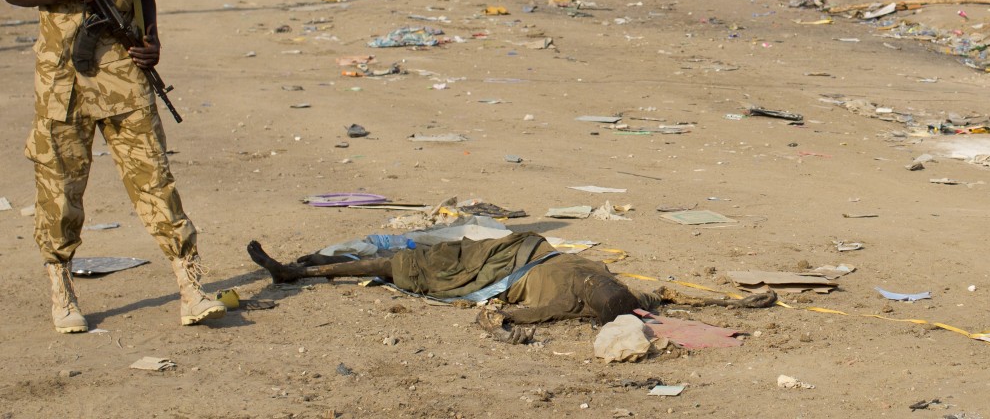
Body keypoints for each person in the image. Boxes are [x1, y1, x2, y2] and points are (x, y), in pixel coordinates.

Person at [2, 0, 226, 334]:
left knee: (154, 178)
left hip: (123, 75)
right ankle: (61, 286)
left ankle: (190, 285)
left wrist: (152, 40)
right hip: (62, 80)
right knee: (59, 187)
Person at [247, 232, 774, 343]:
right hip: (513, 254)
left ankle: (302, 272)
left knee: (400, 263)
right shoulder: (620, 299)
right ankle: (308, 267)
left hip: (503, 265)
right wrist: (744, 300)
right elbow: (679, 293)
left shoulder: (576, 300)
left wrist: (498, 316)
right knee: (400, 259)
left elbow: (506, 316)